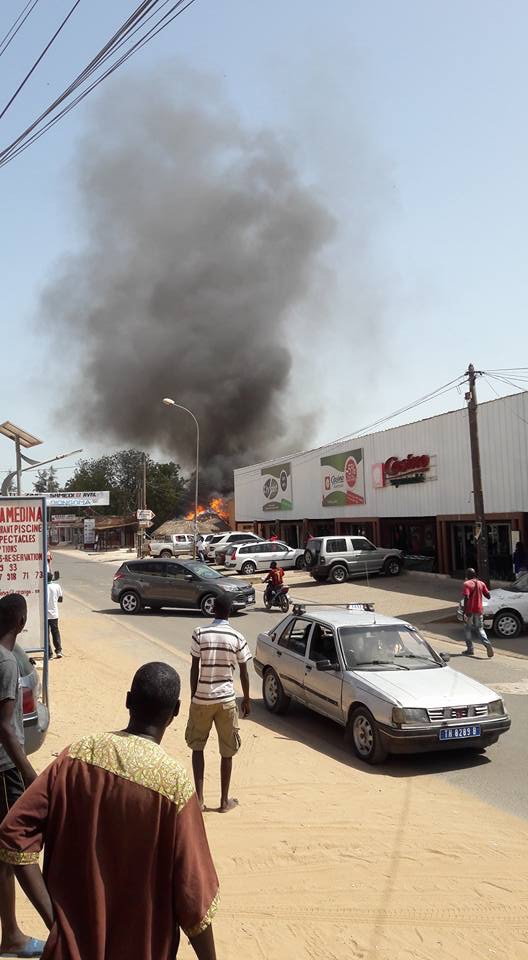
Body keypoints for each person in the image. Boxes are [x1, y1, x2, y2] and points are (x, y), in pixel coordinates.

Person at [0, 662, 219, 960]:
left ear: (128, 701)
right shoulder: (174, 785)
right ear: (176, 711)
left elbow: (13, 833)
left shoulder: (77, 756)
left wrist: (58, 926)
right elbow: (195, 899)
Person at [0, 594, 45, 959]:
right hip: (4, 769)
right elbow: (5, 728)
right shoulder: (6, 662)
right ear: (21, 622)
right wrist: (29, 772)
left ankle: (11, 933)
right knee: (16, 846)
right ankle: (55, 930)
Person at [185, 594, 251, 813]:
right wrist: (247, 699)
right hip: (226, 700)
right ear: (230, 611)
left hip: (202, 699)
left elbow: (194, 668)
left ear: (213, 609)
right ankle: (224, 801)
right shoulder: (237, 637)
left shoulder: (199, 633)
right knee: (227, 751)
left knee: (197, 748)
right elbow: (244, 672)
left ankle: (199, 800)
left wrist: (194, 696)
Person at [462, 567, 494, 657]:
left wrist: (465, 611)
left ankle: (470, 649)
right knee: (480, 629)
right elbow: (488, 596)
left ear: (467, 575)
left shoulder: (467, 584)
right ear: (475, 575)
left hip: (469, 611)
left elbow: (466, 597)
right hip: (479, 610)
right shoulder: (481, 583)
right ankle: (487, 644)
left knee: (467, 629)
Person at [47, 573, 63, 659]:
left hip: (44, 614)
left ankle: (49, 654)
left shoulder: (42, 587)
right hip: (54, 614)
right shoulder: (57, 586)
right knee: (55, 632)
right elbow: (60, 599)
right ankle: (58, 651)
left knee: (46, 634)